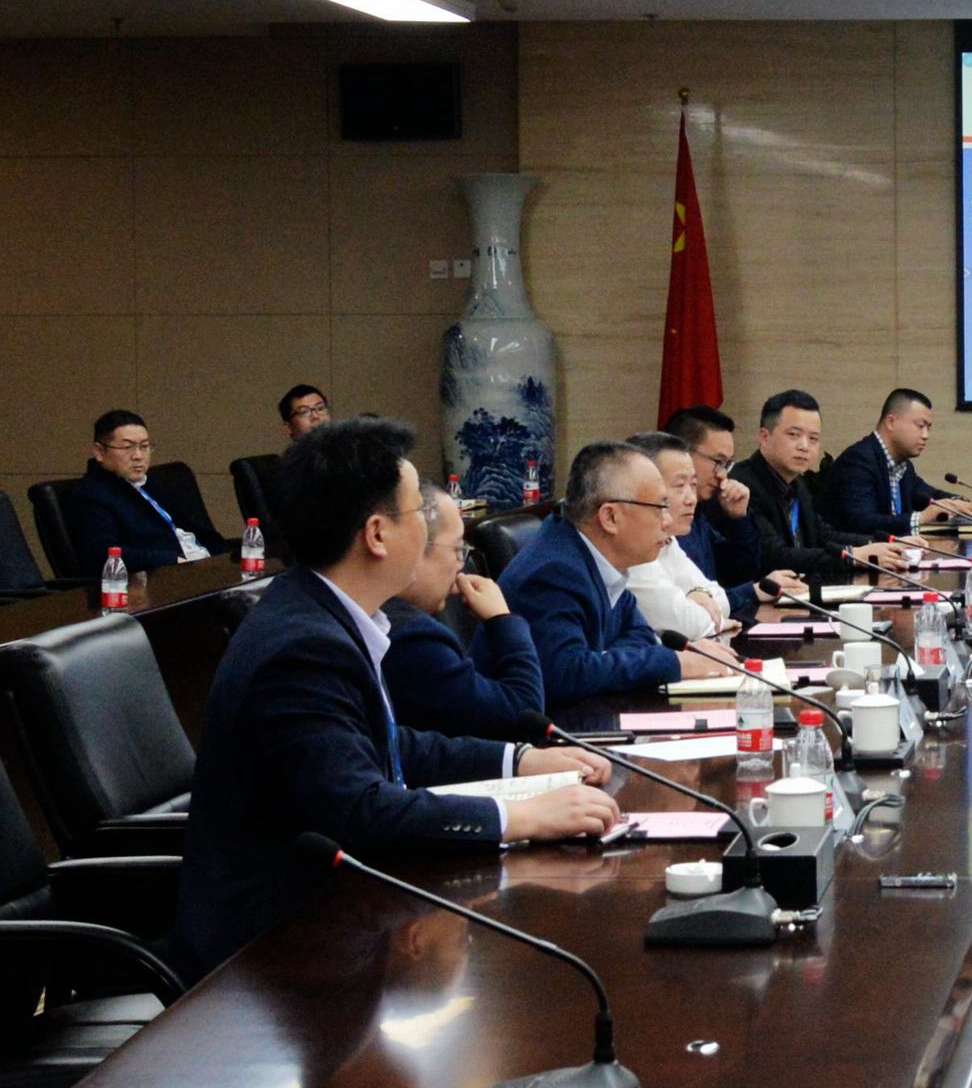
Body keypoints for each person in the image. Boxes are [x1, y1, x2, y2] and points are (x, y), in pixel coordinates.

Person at [168, 417, 617, 980]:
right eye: (418, 516)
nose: (433, 533)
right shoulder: (303, 648)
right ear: (377, 535)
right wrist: (519, 816)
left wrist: (518, 760)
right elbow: (362, 809)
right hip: (273, 953)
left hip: (338, 918)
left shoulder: (324, 614)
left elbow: (381, 743)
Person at [497, 441, 732, 710]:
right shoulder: (553, 571)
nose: (667, 521)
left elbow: (640, 634)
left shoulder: (604, 557)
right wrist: (675, 662)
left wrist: (604, 659)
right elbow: (566, 673)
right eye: (659, 507)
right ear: (610, 517)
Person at [383, 488, 547, 742]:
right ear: (415, 545)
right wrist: (502, 620)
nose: (462, 564)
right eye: (458, 548)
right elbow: (523, 713)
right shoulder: (410, 638)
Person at [733, 389, 909, 587]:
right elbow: (777, 556)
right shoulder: (744, 486)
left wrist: (883, 544)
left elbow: (823, 535)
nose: (804, 446)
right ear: (764, 437)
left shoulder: (797, 484)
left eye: (813, 438)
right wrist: (852, 556)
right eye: (794, 435)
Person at [622, 430, 757, 642]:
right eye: (679, 486)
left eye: (693, 485)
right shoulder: (630, 544)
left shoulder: (667, 539)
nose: (691, 498)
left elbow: (721, 598)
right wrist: (714, 619)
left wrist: (697, 594)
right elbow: (685, 624)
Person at [70, 409, 232, 571]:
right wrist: (171, 560)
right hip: (166, 575)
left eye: (144, 446)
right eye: (127, 447)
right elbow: (102, 555)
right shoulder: (92, 494)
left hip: (206, 564)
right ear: (99, 452)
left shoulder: (151, 483)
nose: (138, 456)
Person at [820, 387, 972, 540]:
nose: (925, 435)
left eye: (928, 428)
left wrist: (957, 503)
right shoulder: (858, 461)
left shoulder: (902, 465)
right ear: (891, 422)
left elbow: (929, 494)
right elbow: (862, 522)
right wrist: (921, 517)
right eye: (920, 426)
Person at [664, 404, 765, 591]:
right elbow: (694, 597)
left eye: (727, 464)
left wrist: (738, 519)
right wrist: (753, 593)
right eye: (718, 462)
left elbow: (739, 575)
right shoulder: (663, 518)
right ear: (682, 453)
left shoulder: (703, 512)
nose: (722, 475)